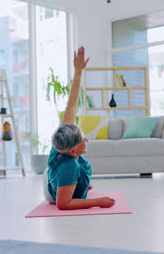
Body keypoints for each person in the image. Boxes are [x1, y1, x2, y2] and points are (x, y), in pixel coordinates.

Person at [44, 46, 116, 210]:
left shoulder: (61, 145)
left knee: (71, 172)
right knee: (71, 170)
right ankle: (66, 184)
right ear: (72, 151)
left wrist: (78, 72)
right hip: (54, 192)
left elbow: (71, 106)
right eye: (82, 140)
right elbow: (63, 204)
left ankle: (71, 184)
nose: (87, 139)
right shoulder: (69, 165)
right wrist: (98, 202)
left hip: (59, 177)